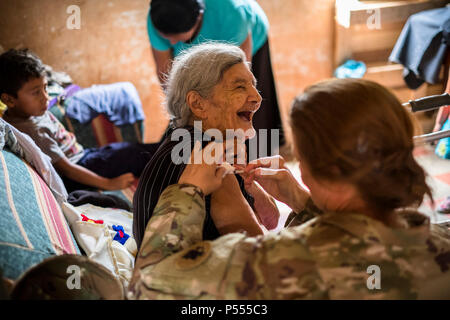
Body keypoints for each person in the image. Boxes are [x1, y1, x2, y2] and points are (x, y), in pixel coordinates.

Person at [129, 78, 450, 299]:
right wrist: (303, 202)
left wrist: (187, 192)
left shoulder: (282, 266)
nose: (255, 98)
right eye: (239, 86)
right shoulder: (438, 241)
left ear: (312, 171)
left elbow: (147, 285)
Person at [133, 43, 280, 249]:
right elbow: (260, 252)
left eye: (253, 84)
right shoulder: (206, 154)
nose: (257, 97)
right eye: (240, 86)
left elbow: (272, 221)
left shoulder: (187, 140)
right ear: (198, 104)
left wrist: (251, 185)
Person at [0, 49, 160, 192]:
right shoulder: (33, 132)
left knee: (127, 150)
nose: (45, 97)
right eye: (36, 93)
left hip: (83, 155)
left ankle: (172, 153)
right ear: (9, 99)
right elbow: (67, 169)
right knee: (135, 154)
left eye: (45, 87)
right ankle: (176, 158)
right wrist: (109, 183)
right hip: (79, 169)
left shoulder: (27, 112)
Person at [147, 0, 285, 156]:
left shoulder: (232, 13)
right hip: (196, 56)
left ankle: (257, 156)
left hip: (244, 41)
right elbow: (165, 73)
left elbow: (239, 77)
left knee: (246, 106)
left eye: (178, 38)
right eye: (166, 37)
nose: (171, 42)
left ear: (199, 18)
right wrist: (185, 111)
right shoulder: (158, 16)